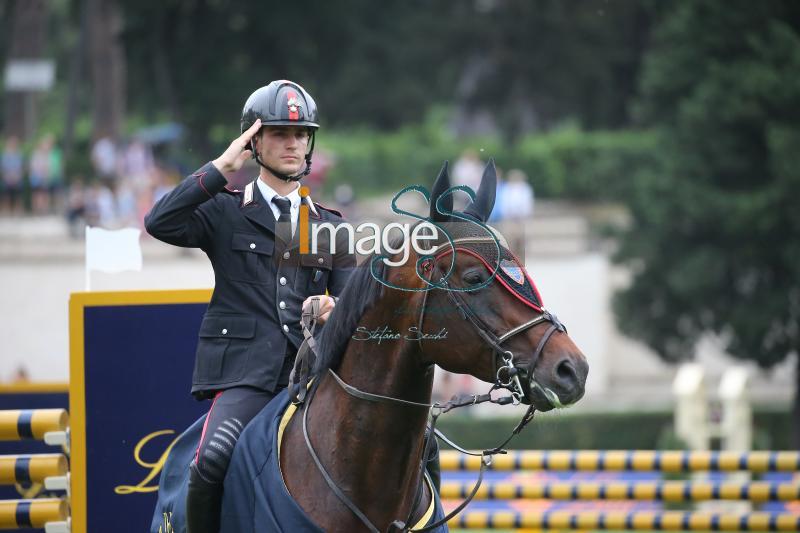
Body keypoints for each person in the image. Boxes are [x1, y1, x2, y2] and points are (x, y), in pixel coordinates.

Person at [144, 80, 355, 533]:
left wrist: (331, 304)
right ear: (254, 141)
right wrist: (222, 166)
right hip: (248, 378)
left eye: (301, 135)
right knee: (213, 458)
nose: (294, 144)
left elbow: (352, 306)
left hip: (314, 376)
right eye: (280, 133)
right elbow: (160, 222)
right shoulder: (225, 211)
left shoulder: (329, 226)